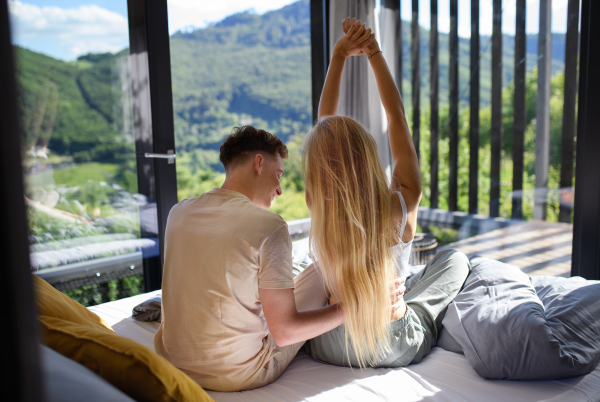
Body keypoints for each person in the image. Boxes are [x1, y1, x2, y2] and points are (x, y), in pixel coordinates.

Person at [302, 18, 471, 368]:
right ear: (368, 157)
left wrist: (339, 56)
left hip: (329, 343)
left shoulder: (319, 203)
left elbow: (324, 126)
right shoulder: (400, 202)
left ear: (320, 170)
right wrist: (374, 53)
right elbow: (397, 118)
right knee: (454, 260)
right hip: (393, 344)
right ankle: (405, 299)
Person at [154, 126, 352, 392]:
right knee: (323, 269)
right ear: (258, 163)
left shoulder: (178, 212)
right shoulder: (268, 226)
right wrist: (349, 310)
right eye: (278, 175)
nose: (280, 189)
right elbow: (284, 333)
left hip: (172, 364)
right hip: (236, 374)